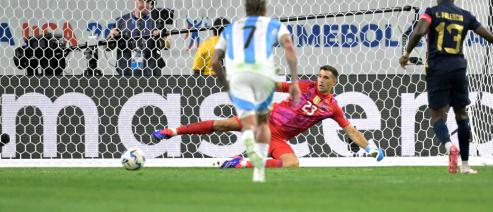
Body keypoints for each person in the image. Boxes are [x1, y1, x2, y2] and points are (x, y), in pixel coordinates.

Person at [152, 65, 384, 168]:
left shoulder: (332, 107)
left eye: (326, 78)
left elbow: (350, 130)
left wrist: (370, 149)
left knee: (292, 164)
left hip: (278, 137)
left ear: (334, 82)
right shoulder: (305, 86)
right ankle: (173, 131)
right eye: (320, 76)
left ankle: (241, 163)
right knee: (224, 124)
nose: (321, 80)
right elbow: (277, 86)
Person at [399, 0, 493, 174]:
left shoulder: (431, 12)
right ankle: (466, 165)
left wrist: (406, 53)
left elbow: (419, 30)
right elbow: (492, 38)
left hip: (437, 68)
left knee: (437, 116)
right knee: (462, 115)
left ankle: (448, 146)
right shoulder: (465, 15)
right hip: (459, 68)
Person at [209, 0, 300, 182]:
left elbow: (215, 61)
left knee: (247, 121)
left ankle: (248, 135)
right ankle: (258, 170)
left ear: (246, 9)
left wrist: (225, 83)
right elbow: (289, 48)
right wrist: (294, 80)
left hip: (238, 75)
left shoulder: (231, 28)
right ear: (264, 9)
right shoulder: (273, 24)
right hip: (263, 74)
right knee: (263, 122)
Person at [107, 0, 173, 76]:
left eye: (149, 2)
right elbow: (107, 48)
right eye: (141, 1)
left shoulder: (157, 22)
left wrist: (160, 37)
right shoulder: (121, 21)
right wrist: (111, 37)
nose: (145, 5)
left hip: (151, 73)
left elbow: (167, 45)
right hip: (126, 73)